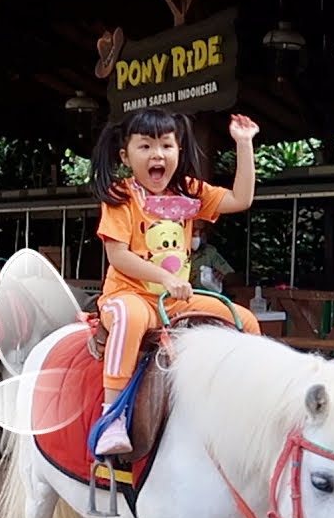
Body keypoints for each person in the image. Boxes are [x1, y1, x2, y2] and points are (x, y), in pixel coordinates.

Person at [90, 107, 263, 456]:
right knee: (130, 317)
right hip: (128, 294)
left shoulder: (188, 192)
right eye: (146, 146)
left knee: (244, 320)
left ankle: (249, 405)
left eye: (167, 146)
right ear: (126, 155)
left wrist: (244, 145)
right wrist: (166, 277)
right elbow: (118, 256)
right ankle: (111, 418)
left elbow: (240, 199)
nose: (158, 154)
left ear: (178, 150)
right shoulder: (121, 196)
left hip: (174, 301)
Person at [188, 224, 237, 294]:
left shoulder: (209, 252)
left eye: (202, 231)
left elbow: (232, 277)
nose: (198, 234)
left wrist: (222, 277)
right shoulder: (176, 250)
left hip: (205, 298)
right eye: (194, 230)